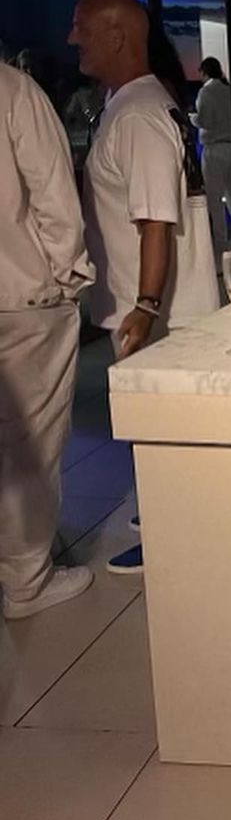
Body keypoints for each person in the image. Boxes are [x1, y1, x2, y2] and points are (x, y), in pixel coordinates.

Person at [71, 0, 219, 575]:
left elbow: (155, 219)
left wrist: (146, 306)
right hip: (157, 307)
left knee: (160, 429)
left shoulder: (137, 114)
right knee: (162, 428)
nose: (72, 39)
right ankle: (167, 514)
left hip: (157, 311)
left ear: (117, 36)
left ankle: (170, 533)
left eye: (81, 27)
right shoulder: (142, 103)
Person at [0, 61, 96, 619]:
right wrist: (68, 278)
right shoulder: (13, 91)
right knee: (28, 442)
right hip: (21, 296)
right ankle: (26, 582)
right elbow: (54, 195)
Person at [193, 57, 231, 249]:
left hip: (214, 149)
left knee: (215, 198)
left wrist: (192, 119)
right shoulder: (229, 90)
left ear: (204, 72)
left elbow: (206, 121)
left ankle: (221, 241)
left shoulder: (206, 92)